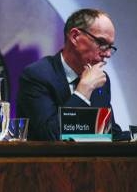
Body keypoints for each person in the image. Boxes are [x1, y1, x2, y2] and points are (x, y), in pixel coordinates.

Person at [16, 9, 126, 141]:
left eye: (110, 47)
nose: (108, 54)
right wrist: (83, 90)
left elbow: (110, 134)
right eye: (102, 43)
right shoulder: (37, 76)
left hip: (93, 161)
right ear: (75, 37)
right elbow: (51, 135)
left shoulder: (101, 80)